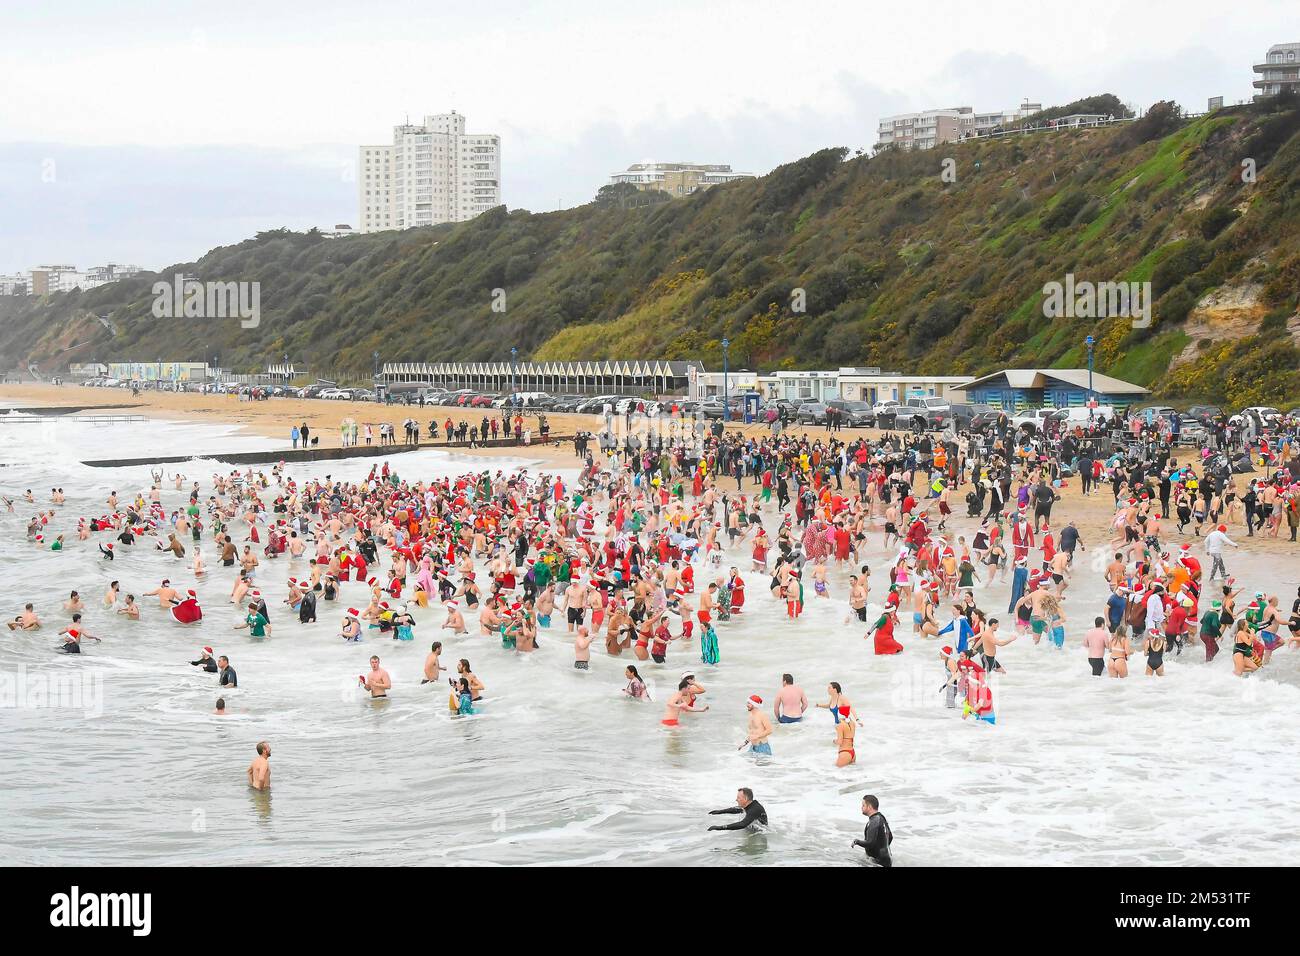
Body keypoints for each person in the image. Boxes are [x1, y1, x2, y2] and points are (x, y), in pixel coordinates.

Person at [852, 794, 893, 867]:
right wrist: (882, 848)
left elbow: (870, 843)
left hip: (878, 862)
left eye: (863, 805)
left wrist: (857, 841)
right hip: (885, 860)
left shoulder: (874, 821)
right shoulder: (881, 817)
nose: (861, 807)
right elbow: (890, 837)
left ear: (869, 807)